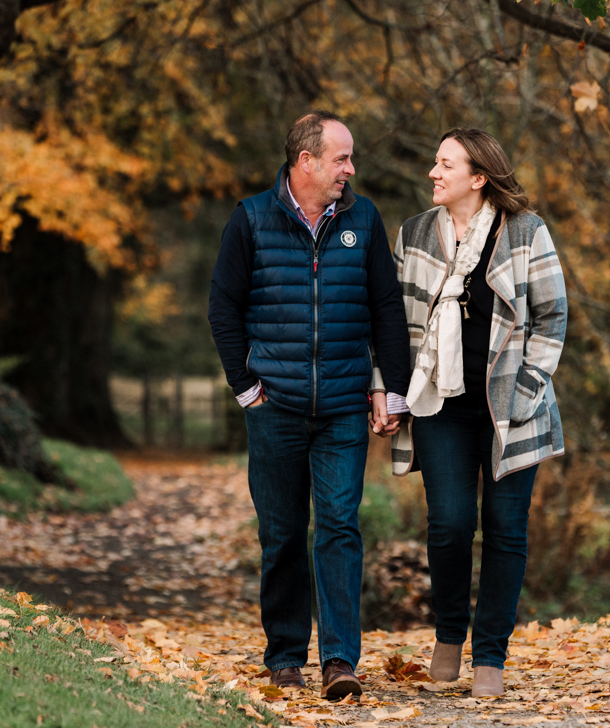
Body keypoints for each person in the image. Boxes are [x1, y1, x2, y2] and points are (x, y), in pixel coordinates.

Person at [208, 111, 410, 699]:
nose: (350, 169)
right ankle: (286, 656)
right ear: (307, 162)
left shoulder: (363, 219)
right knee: (282, 532)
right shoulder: (251, 219)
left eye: (350, 159)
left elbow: (385, 309)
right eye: (342, 158)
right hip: (276, 408)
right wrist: (246, 386)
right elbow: (224, 307)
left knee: (341, 527)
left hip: (345, 406)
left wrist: (389, 388)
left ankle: (340, 660)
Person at [390, 128, 568, 697]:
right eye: (435, 162)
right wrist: (389, 391)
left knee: (505, 530)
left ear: (478, 177)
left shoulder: (525, 232)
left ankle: (490, 654)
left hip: (511, 410)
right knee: (449, 525)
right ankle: (449, 632)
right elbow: (395, 325)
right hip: (440, 403)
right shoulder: (415, 233)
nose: (433, 173)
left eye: (445, 164)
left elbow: (551, 317)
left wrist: (527, 388)